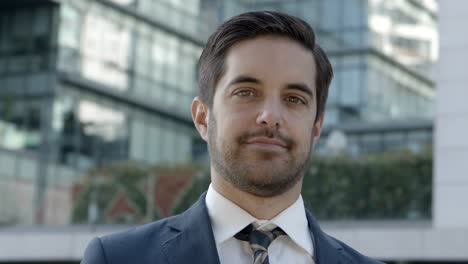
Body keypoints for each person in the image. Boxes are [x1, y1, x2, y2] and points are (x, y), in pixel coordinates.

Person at [81, 11, 383, 264]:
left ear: (316, 127)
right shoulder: (116, 258)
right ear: (203, 118)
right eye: (246, 93)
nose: (270, 115)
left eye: (294, 99)